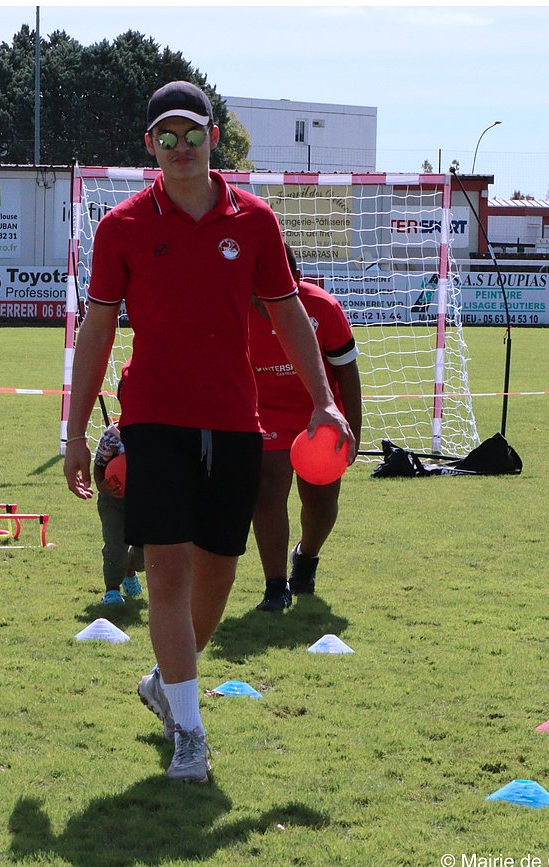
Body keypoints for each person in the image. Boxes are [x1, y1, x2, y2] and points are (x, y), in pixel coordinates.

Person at [62, 80, 354, 784]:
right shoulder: (121, 226)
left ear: (211, 138)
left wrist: (325, 402)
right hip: (154, 418)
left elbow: (289, 315)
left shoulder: (253, 220)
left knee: (219, 572)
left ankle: (168, 683)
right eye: (166, 136)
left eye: (192, 134)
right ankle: (189, 733)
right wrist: (73, 430)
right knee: (165, 571)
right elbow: (97, 327)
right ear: (149, 146)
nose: (181, 147)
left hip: (233, 420)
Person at [251, 244, 363, 612]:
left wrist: (354, 432)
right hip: (266, 413)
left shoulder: (323, 308)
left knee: (321, 500)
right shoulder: (232, 309)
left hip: (321, 410)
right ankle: (275, 586)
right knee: (267, 489)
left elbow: (347, 372)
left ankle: (307, 557)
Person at [93, 416, 145, 605]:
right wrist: (102, 486)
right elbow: (98, 465)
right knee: (115, 545)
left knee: (145, 552)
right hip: (113, 501)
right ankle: (112, 590)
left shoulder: (156, 434)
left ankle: (129, 571)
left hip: (144, 502)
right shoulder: (111, 436)